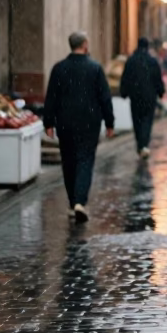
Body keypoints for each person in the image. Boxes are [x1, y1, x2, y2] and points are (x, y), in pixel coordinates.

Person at [43, 31, 115, 224]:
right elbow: (104, 98)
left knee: (68, 161)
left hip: (65, 123)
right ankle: (80, 201)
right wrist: (109, 122)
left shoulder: (59, 68)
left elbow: (51, 97)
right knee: (85, 160)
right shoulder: (95, 69)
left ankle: (72, 201)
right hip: (89, 122)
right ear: (85, 45)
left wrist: (48, 122)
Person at [119, 37, 165, 158]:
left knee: (137, 120)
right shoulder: (152, 61)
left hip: (135, 96)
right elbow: (157, 78)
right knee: (147, 120)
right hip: (150, 96)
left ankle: (140, 144)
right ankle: (144, 144)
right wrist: (161, 92)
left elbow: (125, 78)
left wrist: (124, 92)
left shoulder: (131, 61)